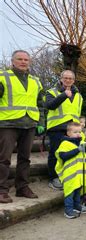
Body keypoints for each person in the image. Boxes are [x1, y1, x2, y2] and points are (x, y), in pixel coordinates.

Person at [0, 50, 44, 203]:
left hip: (30, 124)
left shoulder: (36, 81)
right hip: (7, 124)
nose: (23, 62)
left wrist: (41, 123)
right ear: (13, 61)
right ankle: (1, 190)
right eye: (19, 59)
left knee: (25, 158)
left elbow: (40, 105)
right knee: (3, 158)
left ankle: (22, 187)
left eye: (26, 59)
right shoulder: (3, 77)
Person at [46, 70, 83, 190]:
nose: (68, 80)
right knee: (55, 153)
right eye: (65, 78)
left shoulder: (78, 95)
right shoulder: (51, 92)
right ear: (61, 79)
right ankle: (53, 178)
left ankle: (68, 176)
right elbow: (50, 106)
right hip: (57, 127)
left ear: (74, 80)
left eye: (70, 78)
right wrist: (63, 95)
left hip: (73, 129)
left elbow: (77, 113)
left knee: (72, 153)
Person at [55, 122, 86, 218]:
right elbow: (63, 156)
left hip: (79, 174)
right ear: (68, 133)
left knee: (77, 191)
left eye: (80, 132)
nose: (78, 134)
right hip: (70, 174)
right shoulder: (65, 143)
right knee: (69, 192)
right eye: (75, 132)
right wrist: (77, 150)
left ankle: (77, 206)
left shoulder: (81, 142)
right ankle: (68, 210)